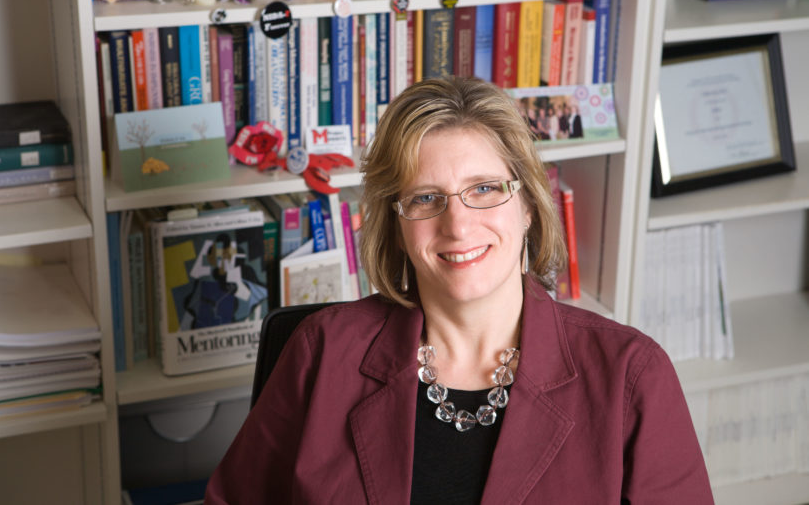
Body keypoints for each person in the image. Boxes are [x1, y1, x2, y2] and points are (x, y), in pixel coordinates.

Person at [205, 77, 713, 504]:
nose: (458, 225)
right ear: (396, 225)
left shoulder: (631, 376)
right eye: (426, 197)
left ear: (529, 205)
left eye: (485, 189)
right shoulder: (323, 352)